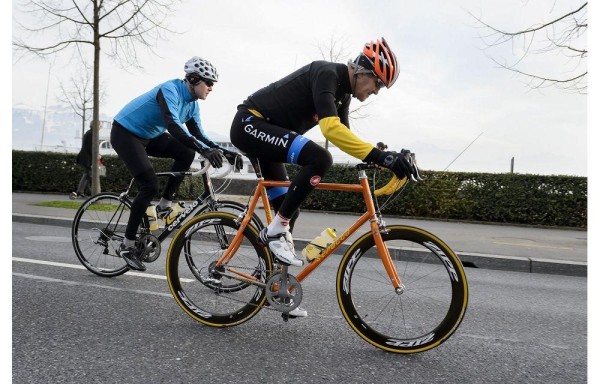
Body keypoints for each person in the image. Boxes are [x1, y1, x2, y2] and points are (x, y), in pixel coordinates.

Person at [230, 38, 421, 317]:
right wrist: (379, 157)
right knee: (321, 158)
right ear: (362, 72)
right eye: (378, 84)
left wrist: (381, 157)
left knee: (288, 210)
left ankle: (277, 290)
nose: (377, 92)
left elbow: (345, 134)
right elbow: (330, 130)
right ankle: (273, 233)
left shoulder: (342, 94)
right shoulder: (327, 73)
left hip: (268, 132)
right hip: (250, 123)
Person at [111, 56, 241, 271]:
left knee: (186, 152)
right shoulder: (169, 90)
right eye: (208, 82)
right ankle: (127, 245)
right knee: (148, 184)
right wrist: (204, 149)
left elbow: (199, 135)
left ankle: (164, 205)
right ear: (193, 78)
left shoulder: (192, 105)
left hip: (150, 135)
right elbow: (172, 124)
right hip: (125, 132)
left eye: (213, 84)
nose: (211, 88)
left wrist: (226, 152)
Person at [70, 125, 95, 199]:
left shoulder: (89, 132)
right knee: (87, 174)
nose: (100, 127)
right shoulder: (92, 133)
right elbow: (91, 147)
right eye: (100, 125)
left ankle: (87, 191)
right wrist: (96, 155)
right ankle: (80, 192)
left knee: (88, 174)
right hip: (87, 157)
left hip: (84, 156)